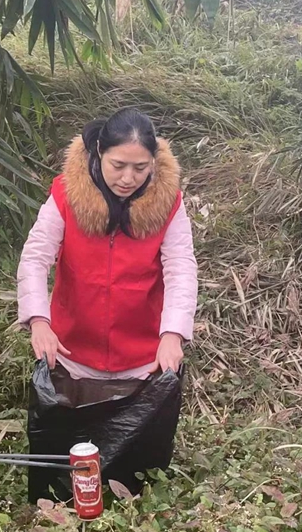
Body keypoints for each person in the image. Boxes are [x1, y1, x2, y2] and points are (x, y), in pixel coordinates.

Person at [17, 107, 197, 381]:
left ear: (153, 161)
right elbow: (35, 257)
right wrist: (39, 320)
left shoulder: (168, 202)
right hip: (69, 353)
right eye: (118, 165)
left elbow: (181, 269)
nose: (128, 178)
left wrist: (173, 334)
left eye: (140, 168)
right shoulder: (67, 193)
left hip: (145, 360)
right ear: (100, 150)